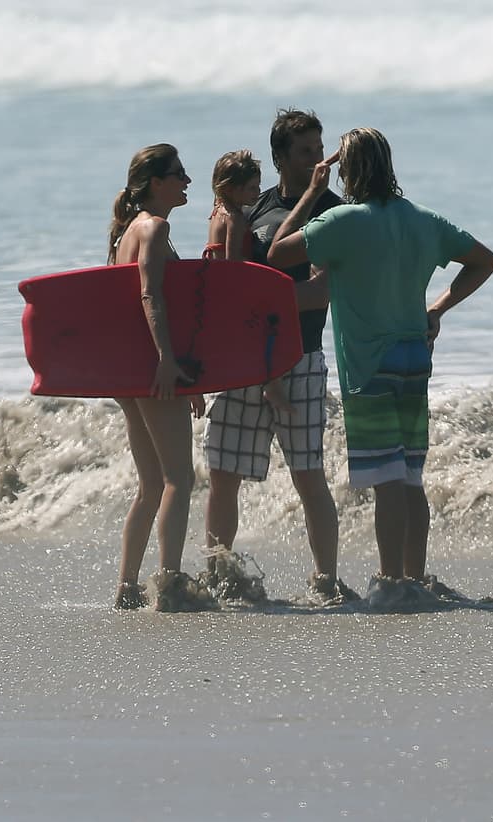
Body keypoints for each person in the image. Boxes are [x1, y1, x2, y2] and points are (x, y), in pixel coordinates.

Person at [267, 126, 493, 602]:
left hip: (369, 363)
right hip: (414, 356)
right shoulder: (423, 220)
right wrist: (437, 309)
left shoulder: (344, 221)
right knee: (410, 473)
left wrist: (312, 192)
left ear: (347, 171)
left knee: (386, 476)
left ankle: (392, 583)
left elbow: (277, 252)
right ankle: (415, 578)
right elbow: (484, 261)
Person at [201, 110, 353, 605]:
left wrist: (263, 301)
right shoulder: (256, 208)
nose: (318, 157)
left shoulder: (333, 212)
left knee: (309, 474)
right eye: (307, 150)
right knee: (223, 474)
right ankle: (219, 575)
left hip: (300, 356)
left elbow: (326, 291)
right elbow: (228, 282)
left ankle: (325, 580)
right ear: (281, 157)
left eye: (319, 146)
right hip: (244, 361)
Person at [107, 144, 216, 612]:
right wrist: (168, 361)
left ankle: (127, 587)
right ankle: (169, 585)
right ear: (156, 182)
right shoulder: (154, 227)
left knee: (152, 484)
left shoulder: (125, 232)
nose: (187, 181)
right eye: (179, 174)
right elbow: (151, 297)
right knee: (179, 480)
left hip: (131, 372)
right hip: (154, 368)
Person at [202, 149, 291, 416]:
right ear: (230, 188)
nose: (257, 193)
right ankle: (272, 385)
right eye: (251, 188)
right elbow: (233, 265)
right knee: (268, 330)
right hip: (232, 289)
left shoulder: (216, 211)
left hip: (214, 288)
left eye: (258, 186)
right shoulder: (235, 218)